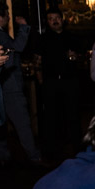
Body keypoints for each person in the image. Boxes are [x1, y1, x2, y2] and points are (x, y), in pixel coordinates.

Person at [0, 2, 42, 166]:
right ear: (0, 17)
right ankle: (34, 157)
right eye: (6, 15)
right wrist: (23, 27)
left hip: (0, 88)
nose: (8, 18)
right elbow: (18, 47)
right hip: (9, 87)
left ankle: (3, 158)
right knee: (22, 123)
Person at [34, 8, 84, 160]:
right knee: (51, 118)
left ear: (62, 20)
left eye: (57, 18)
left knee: (73, 116)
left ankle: (78, 151)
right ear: (47, 22)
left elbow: (82, 59)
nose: (54, 21)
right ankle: (52, 153)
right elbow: (37, 61)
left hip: (70, 82)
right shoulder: (42, 39)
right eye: (50, 18)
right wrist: (42, 81)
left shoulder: (72, 37)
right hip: (51, 82)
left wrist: (76, 57)